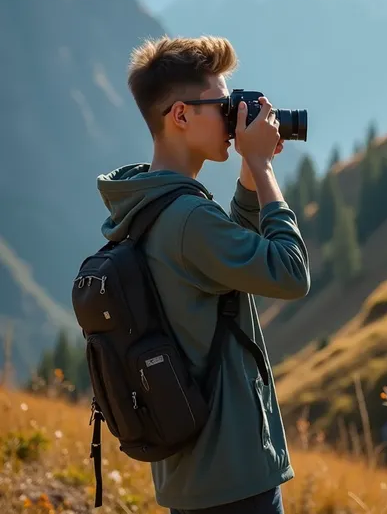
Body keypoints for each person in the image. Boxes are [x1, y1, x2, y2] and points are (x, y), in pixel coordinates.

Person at [97, 36, 310, 514]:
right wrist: (260, 162)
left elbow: (225, 263)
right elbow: (290, 273)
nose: (232, 119)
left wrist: (252, 177)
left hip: (194, 476)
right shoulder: (188, 217)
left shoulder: (147, 205)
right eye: (222, 105)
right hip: (234, 480)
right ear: (180, 116)